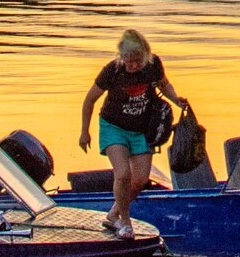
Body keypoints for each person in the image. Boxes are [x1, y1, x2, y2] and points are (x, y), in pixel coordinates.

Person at [78, 29, 190, 240]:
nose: (133, 66)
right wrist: (85, 132)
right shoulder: (112, 71)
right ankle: (126, 223)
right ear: (121, 56)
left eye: (138, 61)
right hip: (113, 127)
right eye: (129, 61)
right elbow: (89, 99)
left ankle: (113, 214)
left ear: (145, 55)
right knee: (123, 174)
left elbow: (164, 84)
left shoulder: (153, 65)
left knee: (140, 180)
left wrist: (176, 99)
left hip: (141, 129)